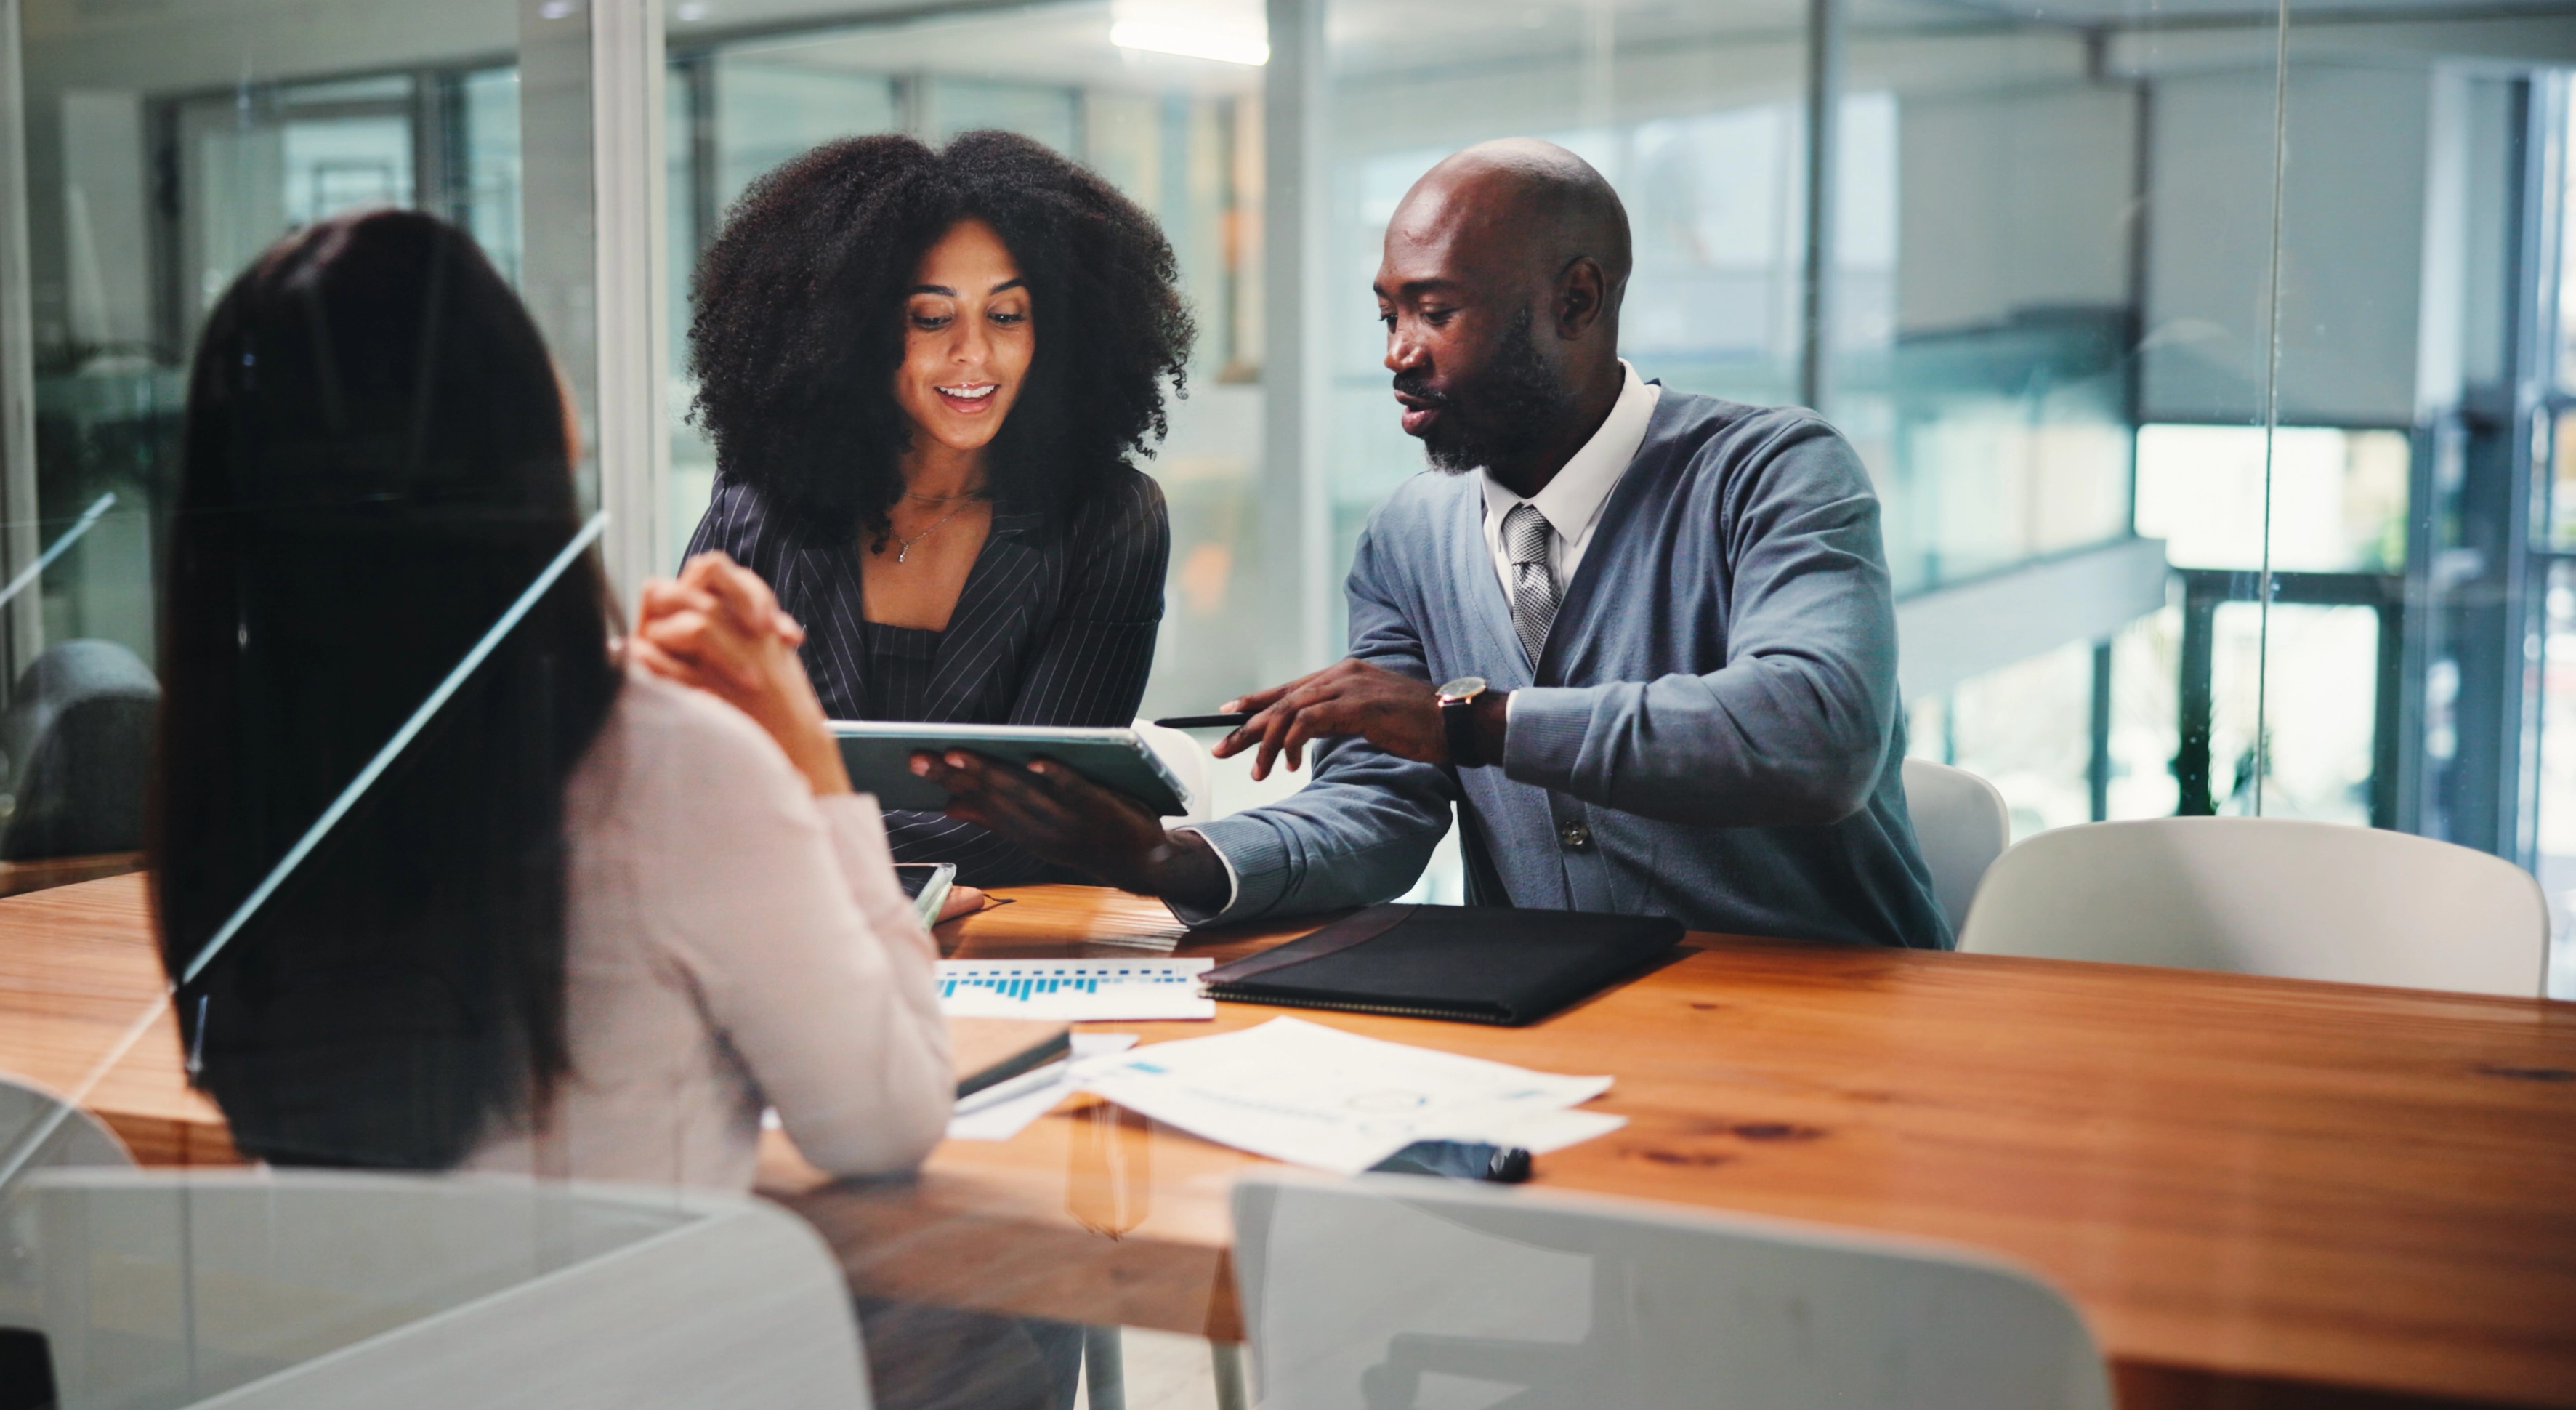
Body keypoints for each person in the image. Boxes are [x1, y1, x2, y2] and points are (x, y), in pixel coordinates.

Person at [924, 139, 1948, 948]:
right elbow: (1379, 807)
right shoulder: (1408, 536)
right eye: (1387, 313)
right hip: (1561, 1014)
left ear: (1576, 300)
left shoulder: (1775, 471)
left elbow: (1815, 736)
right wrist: (1168, 858)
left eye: (1434, 311)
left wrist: (1471, 721)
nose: (1396, 354)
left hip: (1832, 1009)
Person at [150, 208, 951, 1192]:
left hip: (365, 1344)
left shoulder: (241, 773)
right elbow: (886, 1123)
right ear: (531, 422)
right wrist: (809, 763)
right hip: (633, 1345)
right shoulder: (677, 770)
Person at [674, 129, 1190, 903]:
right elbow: (688, 763)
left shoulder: (1110, 520)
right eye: (930, 318)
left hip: (1016, 938)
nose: (974, 355)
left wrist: (783, 825)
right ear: (850, 332)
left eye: (1007, 315)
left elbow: (1028, 824)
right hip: (789, 921)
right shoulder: (763, 497)